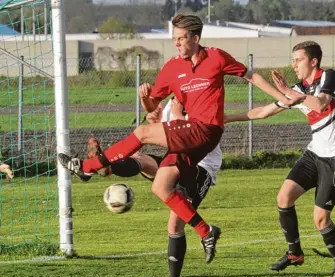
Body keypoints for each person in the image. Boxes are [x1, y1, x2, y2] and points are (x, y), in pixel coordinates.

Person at [58, 14, 302, 264]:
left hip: (206, 130)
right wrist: (145, 96)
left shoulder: (217, 57)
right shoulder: (172, 68)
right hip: (188, 135)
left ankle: (86, 168)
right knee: (160, 187)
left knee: (142, 134)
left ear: (196, 38)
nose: (176, 43)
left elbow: (251, 76)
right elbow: (153, 106)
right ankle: (206, 231)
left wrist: (283, 95)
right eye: (174, 38)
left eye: (181, 38)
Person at [224, 41, 335, 277]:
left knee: (320, 219)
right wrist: (228, 118)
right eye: (293, 60)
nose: (293, 64)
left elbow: (320, 104)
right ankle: (295, 253)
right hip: (316, 152)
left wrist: (295, 96)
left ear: (313, 62)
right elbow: (264, 112)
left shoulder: (329, 76)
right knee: (284, 197)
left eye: (298, 59)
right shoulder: (297, 89)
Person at [89, 98, 222, 277]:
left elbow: (197, 137)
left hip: (201, 168)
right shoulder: (170, 103)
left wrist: (176, 117)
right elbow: (167, 137)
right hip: (176, 162)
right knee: (140, 159)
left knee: (175, 225)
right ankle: (109, 167)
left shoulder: (201, 102)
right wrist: (156, 121)